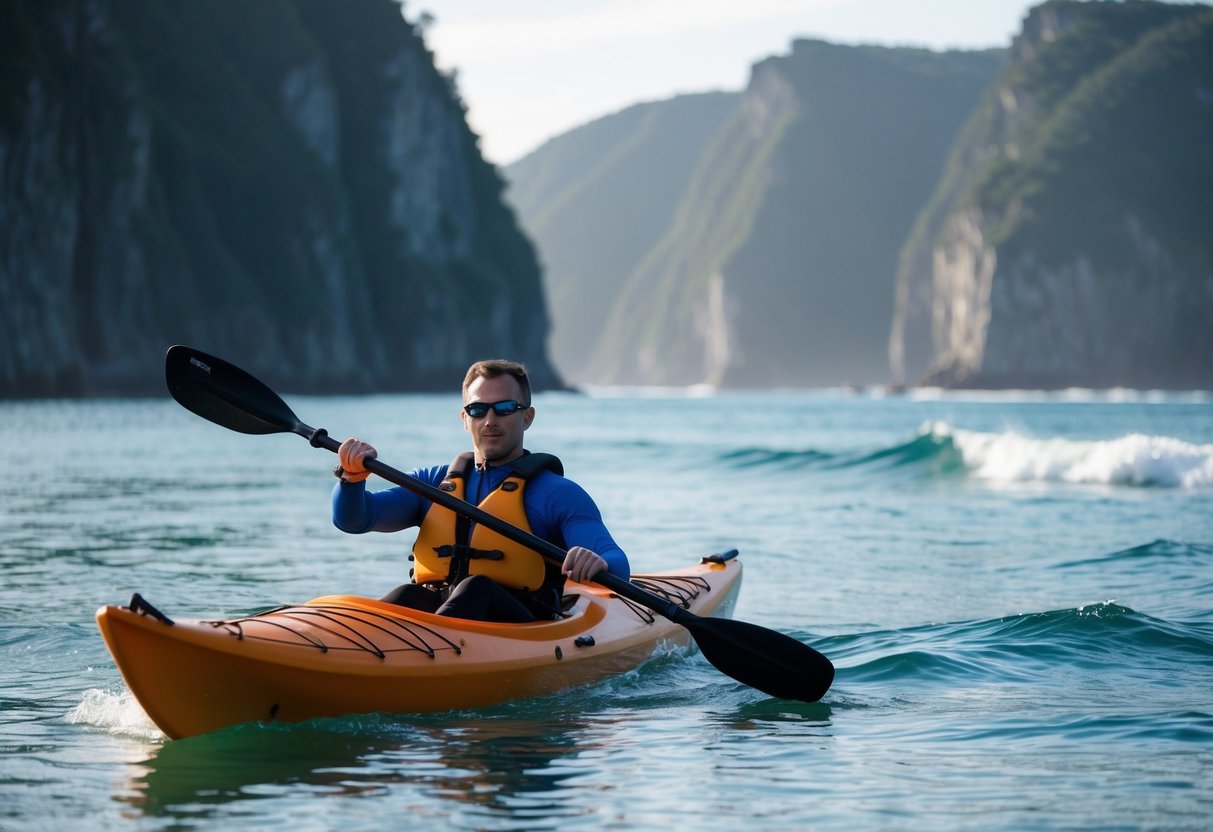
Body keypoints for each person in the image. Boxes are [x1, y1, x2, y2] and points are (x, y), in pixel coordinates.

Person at [331, 358, 629, 623]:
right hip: (445, 613)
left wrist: (598, 562)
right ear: (465, 419)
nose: (490, 420)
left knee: (477, 588)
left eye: (504, 408)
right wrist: (351, 480)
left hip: (520, 624)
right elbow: (354, 519)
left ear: (527, 417)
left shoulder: (557, 494)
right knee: (408, 594)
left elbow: (616, 563)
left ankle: (429, 656)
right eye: (477, 409)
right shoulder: (434, 482)